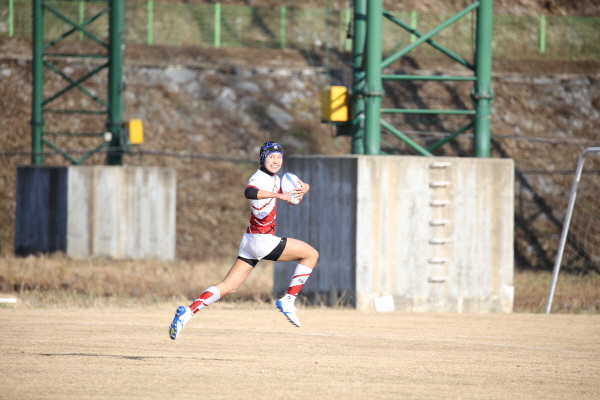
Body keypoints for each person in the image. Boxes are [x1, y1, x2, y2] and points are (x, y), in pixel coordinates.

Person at [169, 141, 319, 340]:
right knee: (311, 254)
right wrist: (279, 196)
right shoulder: (259, 178)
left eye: (279, 157)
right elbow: (249, 192)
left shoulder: (276, 177)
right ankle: (289, 300)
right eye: (271, 157)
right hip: (262, 241)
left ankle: (186, 313)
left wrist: (305, 188)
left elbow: (297, 186)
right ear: (263, 158)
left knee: (229, 286)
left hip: (250, 241)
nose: (276, 161)